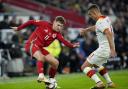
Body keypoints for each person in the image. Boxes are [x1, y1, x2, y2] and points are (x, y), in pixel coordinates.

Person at [11, 16, 79, 88]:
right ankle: (41, 75)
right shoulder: (44, 24)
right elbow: (31, 21)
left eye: (61, 26)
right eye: (58, 25)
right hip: (31, 44)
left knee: (55, 63)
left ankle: (51, 81)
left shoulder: (57, 34)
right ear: (54, 22)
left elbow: (65, 42)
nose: (59, 27)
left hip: (40, 48)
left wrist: (72, 45)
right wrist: (19, 28)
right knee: (41, 58)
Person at [80, 4, 116, 89]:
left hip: (104, 49)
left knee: (84, 67)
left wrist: (112, 49)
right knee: (97, 65)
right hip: (106, 50)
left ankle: (99, 83)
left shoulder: (100, 21)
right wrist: (86, 30)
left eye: (91, 15)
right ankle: (110, 82)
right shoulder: (105, 18)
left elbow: (108, 33)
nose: (91, 17)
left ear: (95, 12)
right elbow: (97, 27)